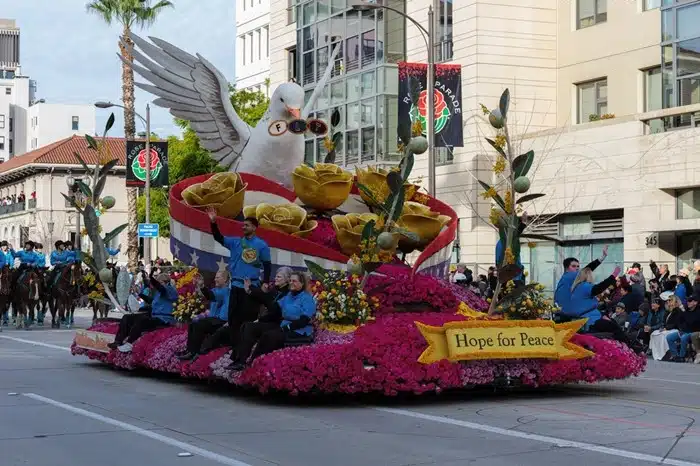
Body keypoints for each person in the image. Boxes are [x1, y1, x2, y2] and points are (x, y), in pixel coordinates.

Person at [206, 207, 272, 356]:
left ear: (254, 228)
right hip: (235, 286)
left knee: (247, 321)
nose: (243, 227)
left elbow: (267, 265)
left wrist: (265, 282)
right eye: (243, 225)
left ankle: (244, 352)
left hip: (250, 288)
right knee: (233, 321)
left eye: (247, 225)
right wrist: (213, 222)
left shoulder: (262, 245)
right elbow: (219, 238)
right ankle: (234, 351)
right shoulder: (235, 242)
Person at [228, 271, 316, 371]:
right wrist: (259, 320)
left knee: (269, 335)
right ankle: (240, 361)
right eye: (290, 280)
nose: (291, 282)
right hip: (283, 326)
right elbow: (274, 310)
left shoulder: (307, 298)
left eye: (294, 281)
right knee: (249, 326)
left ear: (302, 283)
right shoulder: (288, 296)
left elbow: (304, 321)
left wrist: (286, 328)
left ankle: (253, 363)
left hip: (298, 330)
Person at [109, 271, 178, 353]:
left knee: (142, 320)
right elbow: (150, 301)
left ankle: (130, 343)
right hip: (155, 317)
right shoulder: (159, 294)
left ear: (166, 282)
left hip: (164, 319)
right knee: (127, 317)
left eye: (160, 282)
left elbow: (159, 287)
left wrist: (151, 277)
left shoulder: (170, 290)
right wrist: (139, 294)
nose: (156, 285)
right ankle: (118, 341)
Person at [177, 271, 231, 361]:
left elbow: (211, 296)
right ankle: (189, 350)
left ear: (225, 280)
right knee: (193, 323)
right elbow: (204, 295)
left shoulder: (227, 291)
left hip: (222, 320)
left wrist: (202, 287)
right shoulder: (214, 290)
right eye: (215, 277)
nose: (215, 279)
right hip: (212, 319)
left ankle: (194, 352)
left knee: (199, 324)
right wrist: (198, 285)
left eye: (218, 277)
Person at [554, 245, 609, 315]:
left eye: (578, 266)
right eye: (573, 266)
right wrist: (602, 257)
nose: (577, 268)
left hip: (562, 312)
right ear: (566, 268)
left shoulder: (565, 278)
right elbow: (587, 269)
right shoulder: (570, 275)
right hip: (567, 313)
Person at [666, 294, 700, 362]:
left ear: (695, 302)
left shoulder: (698, 312)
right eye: (687, 301)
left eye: (690, 301)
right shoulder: (685, 310)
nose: (688, 302)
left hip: (693, 332)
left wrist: (683, 311)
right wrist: (681, 329)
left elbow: (691, 322)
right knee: (669, 337)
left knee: (684, 337)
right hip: (684, 331)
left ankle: (682, 357)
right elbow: (679, 321)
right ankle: (675, 355)